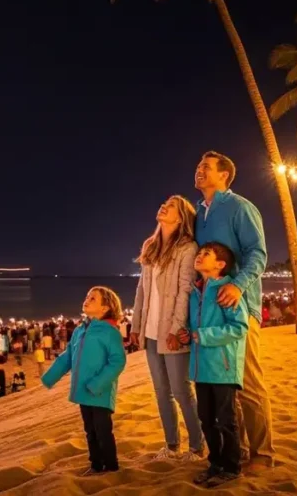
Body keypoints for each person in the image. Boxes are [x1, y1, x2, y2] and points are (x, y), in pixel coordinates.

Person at [194, 151, 274, 471]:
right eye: (198, 166)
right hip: (210, 310)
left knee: (248, 383)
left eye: (207, 167)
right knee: (224, 387)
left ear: (224, 175)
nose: (199, 171)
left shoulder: (239, 206)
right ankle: (235, 451)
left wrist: (238, 285)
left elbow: (258, 253)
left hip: (240, 305)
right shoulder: (200, 214)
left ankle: (263, 455)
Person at [130, 195, 204, 461]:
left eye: (170, 205)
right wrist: (135, 325)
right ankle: (172, 445)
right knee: (162, 392)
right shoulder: (150, 246)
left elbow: (185, 291)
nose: (163, 206)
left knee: (181, 390)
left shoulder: (187, 248)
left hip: (171, 332)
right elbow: (141, 291)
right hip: (150, 333)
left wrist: (176, 329)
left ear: (181, 216)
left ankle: (196, 446)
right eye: (163, 203)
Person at [178, 242, 248, 488]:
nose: (199, 256)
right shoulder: (197, 291)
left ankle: (232, 467)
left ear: (220, 264)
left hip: (223, 367)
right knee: (206, 419)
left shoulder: (227, 290)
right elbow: (195, 327)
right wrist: (189, 334)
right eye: (199, 253)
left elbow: (239, 328)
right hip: (201, 367)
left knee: (225, 420)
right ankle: (215, 463)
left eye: (205, 254)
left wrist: (203, 336)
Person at [41, 286, 127, 476]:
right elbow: (68, 355)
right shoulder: (80, 329)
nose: (87, 300)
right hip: (82, 390)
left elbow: (118, 361)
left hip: (100, 391)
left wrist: (98, 384)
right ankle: (96, 464)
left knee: (103, 431)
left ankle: (111, 467)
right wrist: (50, 377)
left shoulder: (110, 331)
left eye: (93, 299)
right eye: (87, 296)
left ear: (105, 308)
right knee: (90, 431)